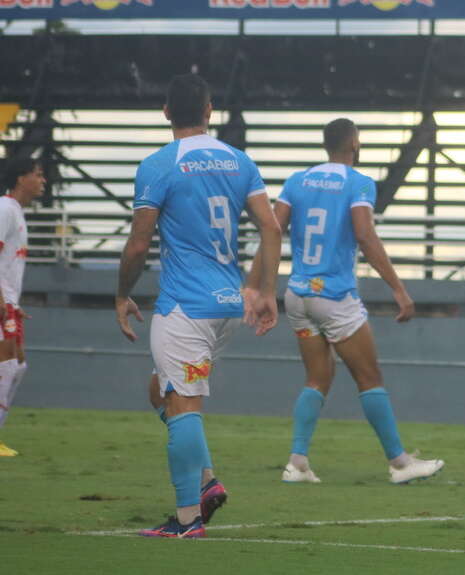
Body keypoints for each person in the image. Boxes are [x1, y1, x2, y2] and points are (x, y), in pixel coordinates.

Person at [115, 73, 282, 539]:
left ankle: (187, 520)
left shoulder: (159, 165)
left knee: (183, 404)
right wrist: (266, 291)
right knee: (161, 393)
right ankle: (207, 482)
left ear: (166, 112)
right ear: (210, 111)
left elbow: (138, 244)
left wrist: (120, 293)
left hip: (185, 306)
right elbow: (271, 228)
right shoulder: (239, 161)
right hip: (228, 305)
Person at [275, 119, 443, 485]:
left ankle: (297, 462)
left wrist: (257, 286)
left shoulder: (296, 181)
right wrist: (398, 289)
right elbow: (364, 235)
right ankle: (400, 464)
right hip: (334, 296)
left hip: (298, 294)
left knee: (317, 378)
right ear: (353, 143)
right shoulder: (358, 183)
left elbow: (273, 229)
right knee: (369, 378)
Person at [0, 158, 45, 457]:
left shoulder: (15, 211)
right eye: (38, 174)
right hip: (3, 303)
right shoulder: (4, 209)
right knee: (7, 365)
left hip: (10, 303)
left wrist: (13, 300)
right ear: (20, 177)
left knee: (18, 365)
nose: (43, 180)